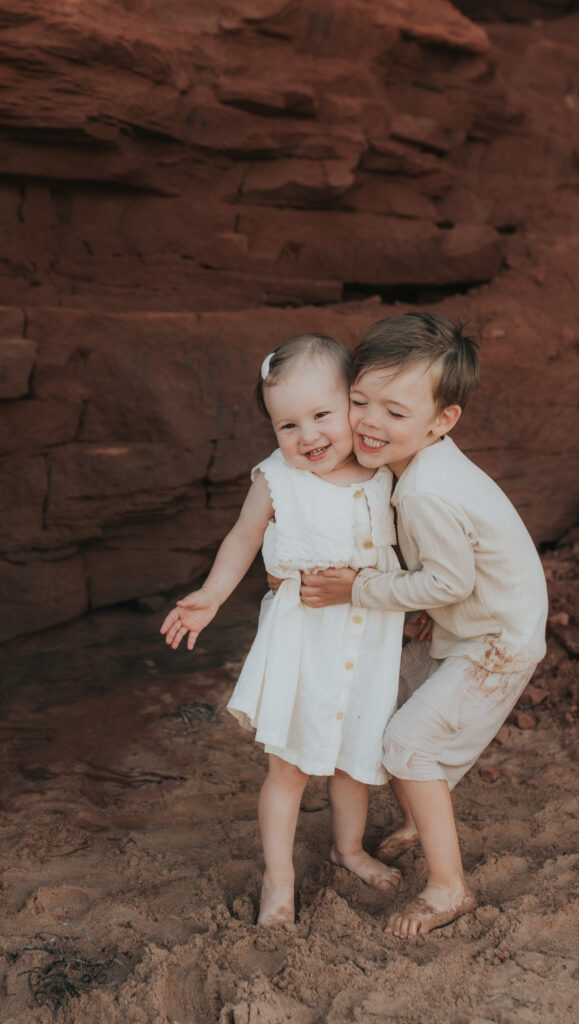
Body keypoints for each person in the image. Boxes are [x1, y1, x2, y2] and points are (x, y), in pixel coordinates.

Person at [298, 312, 548, 939]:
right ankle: (418, 818)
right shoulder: (422, 465)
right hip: (475, 626)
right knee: (392, 706)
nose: (370, 423)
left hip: (496, 641)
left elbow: (448, 582)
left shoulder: (424, 492)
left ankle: (448, 888)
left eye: (395, 412)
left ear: (442, 421)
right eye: (359, 401)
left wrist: (356, 588)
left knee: (409, 745)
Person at [160, 333, 404, 926]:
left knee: (354, 758)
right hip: (304, 644)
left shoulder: (384, 468)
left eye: (322, 414)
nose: (308, 435)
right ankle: (278, 878)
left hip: (370, 637)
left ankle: (347, 850)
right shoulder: (277, 479)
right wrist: (212, 596)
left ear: (355, 403)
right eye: (286, 425)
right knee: (289, 767)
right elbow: (243, 538)